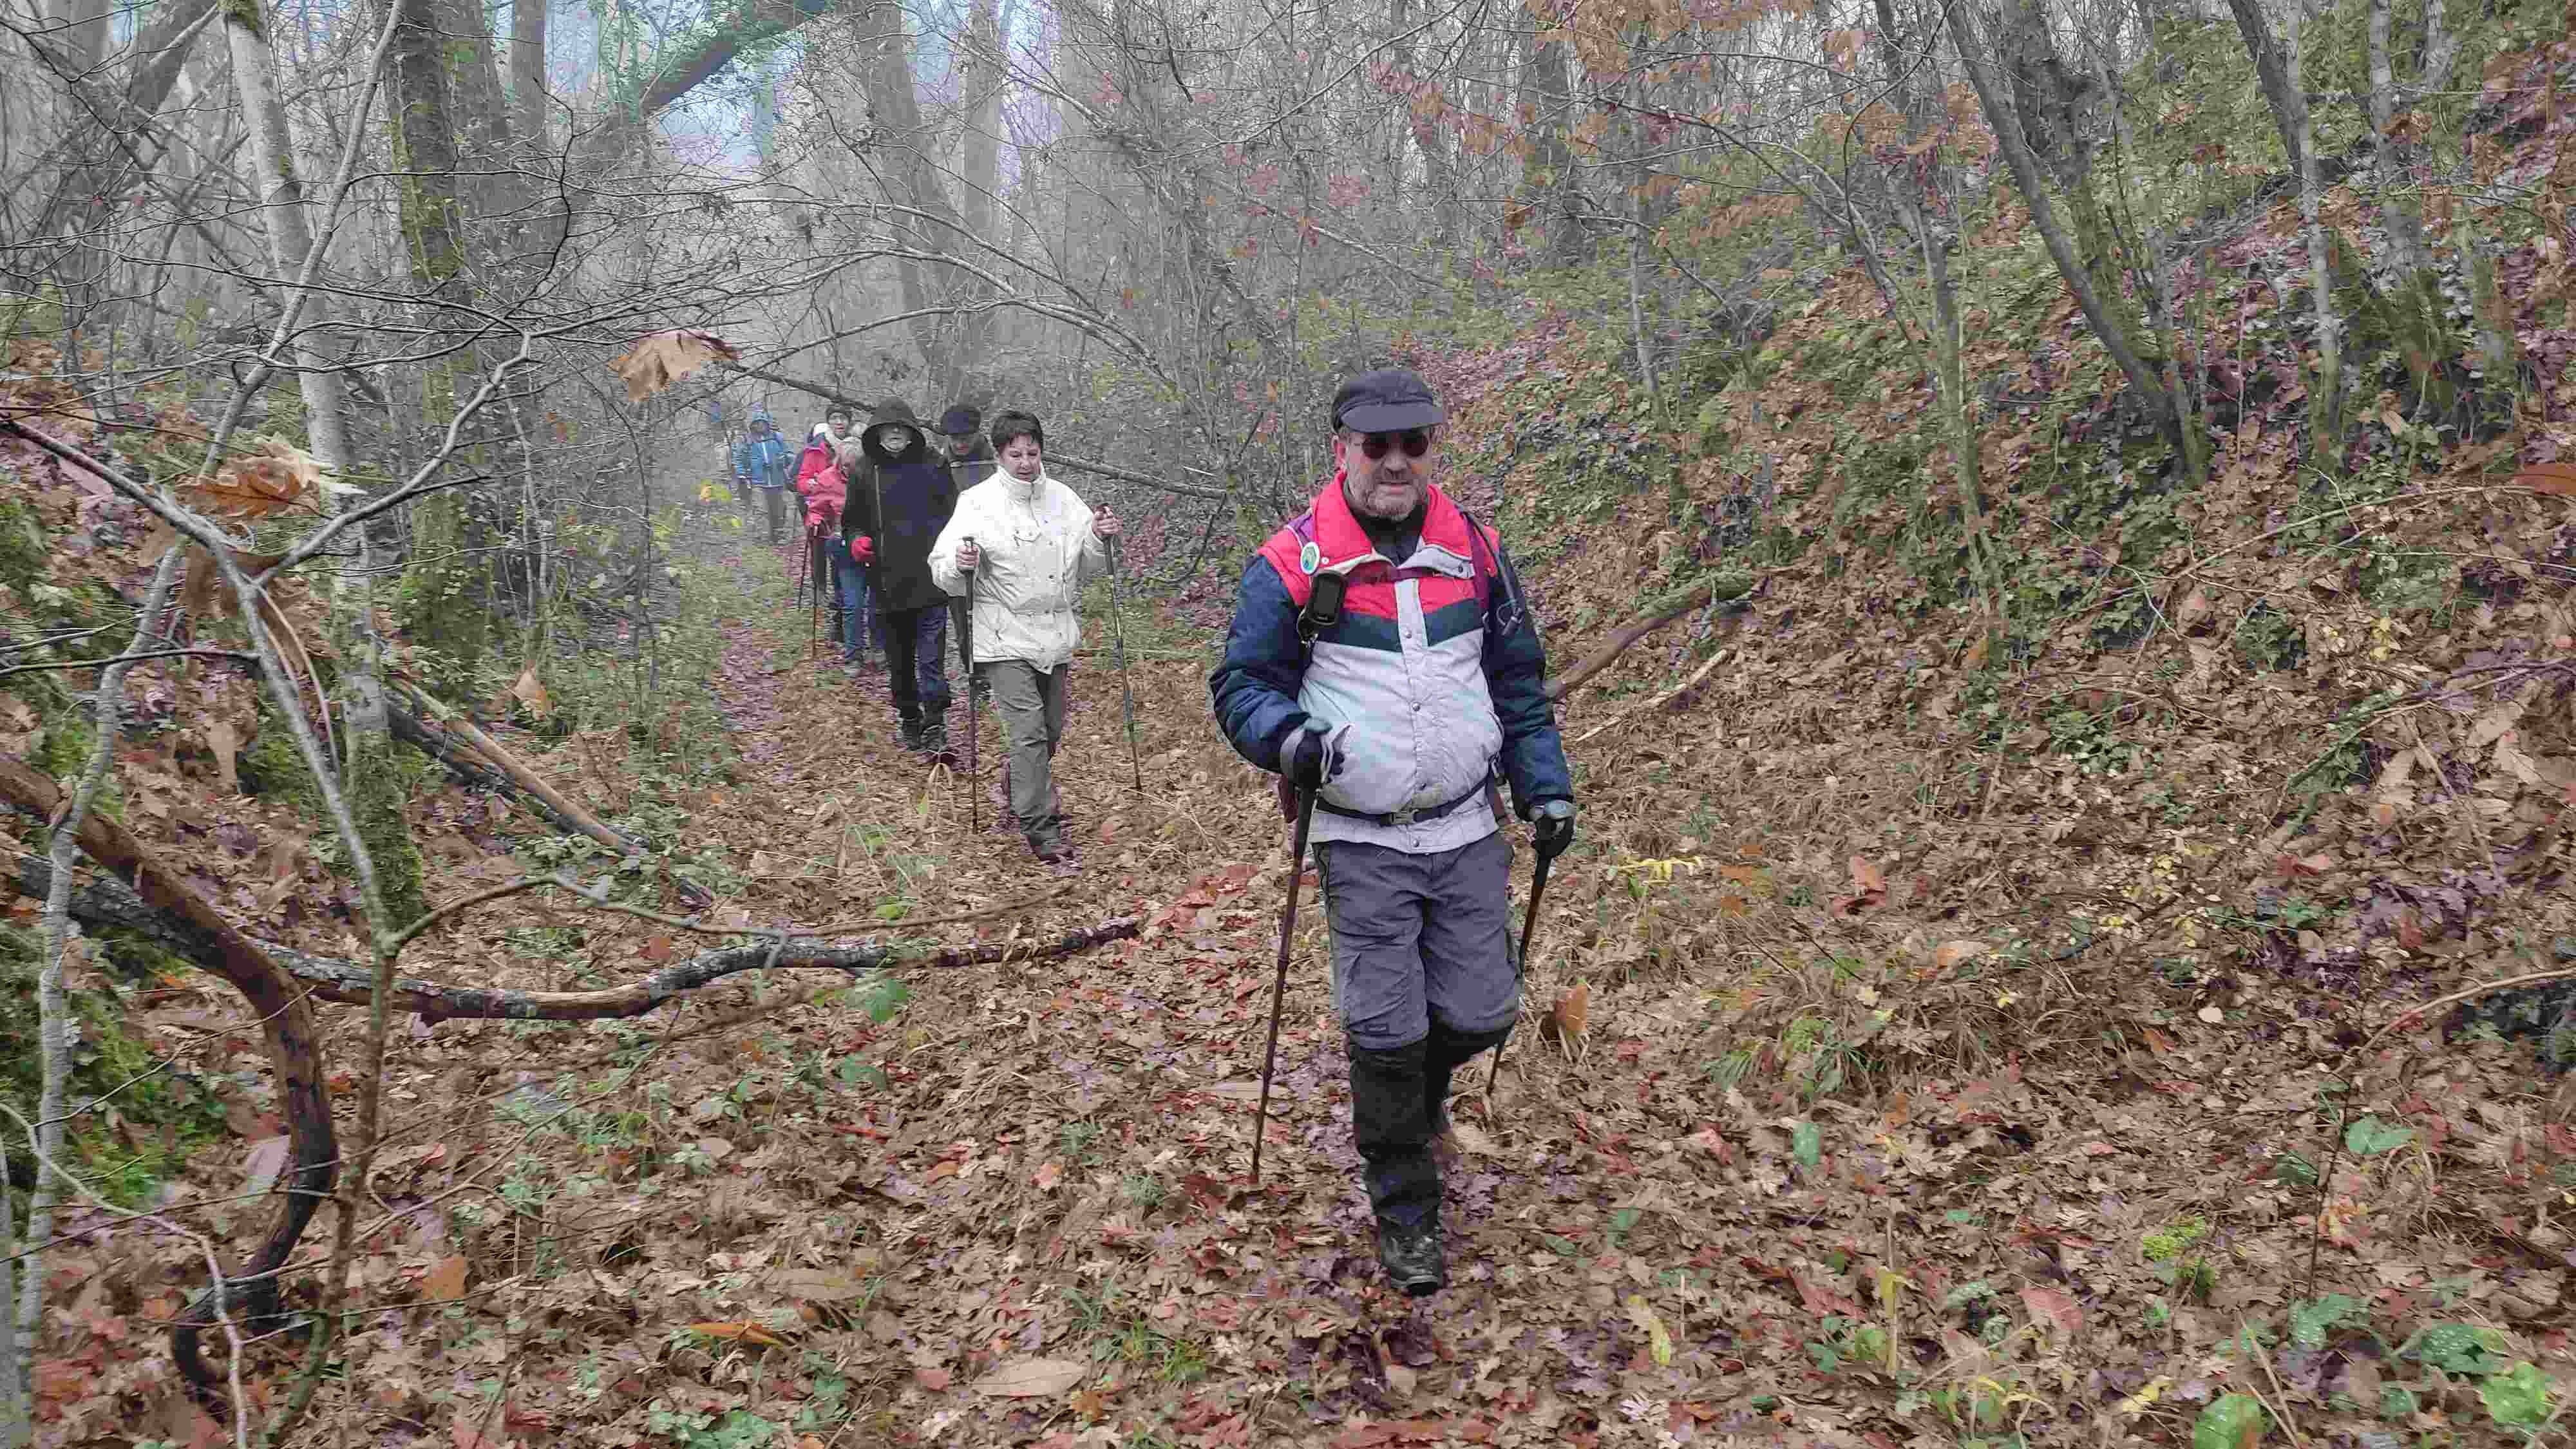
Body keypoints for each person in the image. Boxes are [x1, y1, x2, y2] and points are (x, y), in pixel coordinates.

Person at [1207, 367, 1575, 1298]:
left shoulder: (1475, 548)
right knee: (1384, 1029)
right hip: (1360, 833)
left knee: (1483, 1012)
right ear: (1343, 449)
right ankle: (1406, 1209)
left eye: (1414, 442)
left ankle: (1418, 1099)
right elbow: (1242, 685)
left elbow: (1518, 681)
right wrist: (1287, 739)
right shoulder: (1292, 563)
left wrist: (1545, 787)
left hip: (1467, 825)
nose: (1396, 461)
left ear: (1432, 447)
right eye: (1377, 445)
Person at [929, 411, 1122, 873]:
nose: (1025, 462)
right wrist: (961, 563)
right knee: (1029, 732)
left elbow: (1091, 562)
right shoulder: (977, 503)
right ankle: (1041, 826)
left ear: (1041, 452)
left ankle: (1018, 785)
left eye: (1032, 453)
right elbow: (943, 570)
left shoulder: (1064, 499)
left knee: (1051, 729)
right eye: (1015, 454)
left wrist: (1100, 537)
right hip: (1003, 635)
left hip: (1054, 633)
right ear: (1000, 455)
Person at [844, 401, 960, 752]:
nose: (895, 433)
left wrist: (956, 552)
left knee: (931, 660)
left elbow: (956, 515)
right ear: (877, 432)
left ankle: (935, 722)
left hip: (930, 581)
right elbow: (852, 521)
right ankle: (909, 717)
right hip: (886, 583)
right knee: (899, 662)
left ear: (912, 432)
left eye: (901, 427)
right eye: (888, 428)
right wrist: (856, 541)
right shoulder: (864, 470)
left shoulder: (934, 464)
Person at [940, 404, 992, 690]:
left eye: (966, 437)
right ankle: (976, 678)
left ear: (976, 434)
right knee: (962, 622)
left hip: (994, 550)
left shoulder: (995, 461)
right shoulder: (939, 464)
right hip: (955, 552)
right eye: (955, 438)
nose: (960, 443)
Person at [740, 415, 793, 545]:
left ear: (767, 424)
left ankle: (779, 536)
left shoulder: (777, 438)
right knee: (761, 510)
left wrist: (784, 459)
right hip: (758, 481)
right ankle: (763, 538)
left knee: (779, 510)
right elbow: (739, 459)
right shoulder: (747, 440)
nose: (760, 425)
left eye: (762, 422)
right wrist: (742, 475)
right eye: (757, 423)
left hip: (777, 481)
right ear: (752, 425)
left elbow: (790, 455)